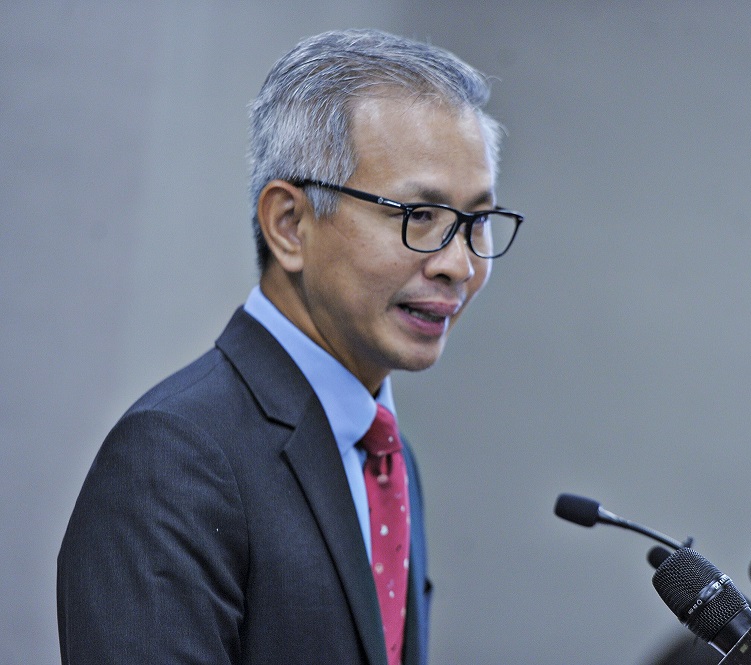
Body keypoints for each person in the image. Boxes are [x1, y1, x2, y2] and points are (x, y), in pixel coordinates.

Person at [57, 29, 522, 664]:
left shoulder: (386, 456)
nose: (458, 265)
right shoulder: (175, 456)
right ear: (290, 225)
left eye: (475, 223)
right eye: (419, 217)